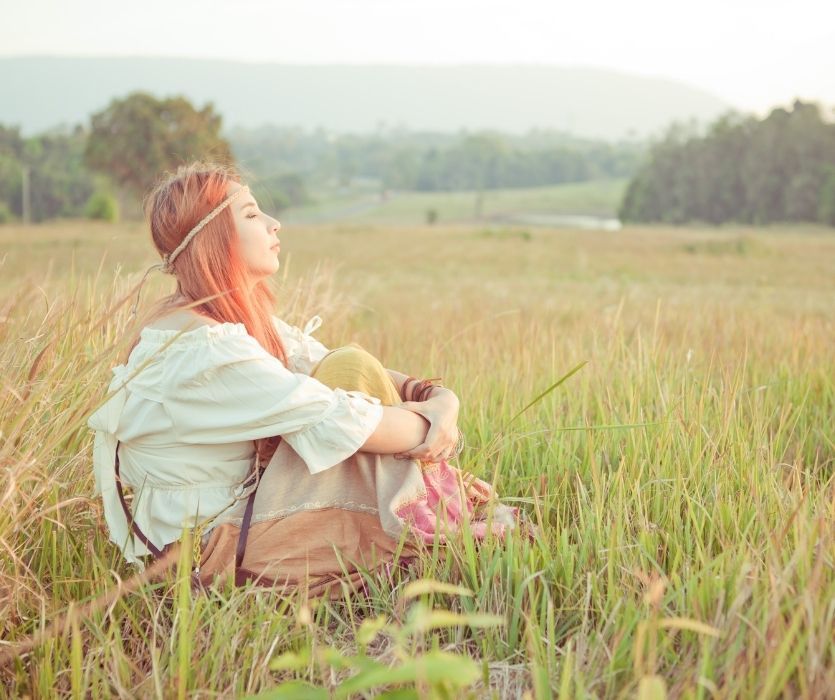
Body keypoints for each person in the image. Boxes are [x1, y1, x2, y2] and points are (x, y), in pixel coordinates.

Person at [87, 161, 520, 598]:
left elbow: (322, 360)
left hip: (230, 520)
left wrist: (440, 399)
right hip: (211, 550)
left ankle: (426, 505)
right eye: (253, 214)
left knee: (348, 367)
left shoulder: (206, 321)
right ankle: (429, 509)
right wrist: (431, 427)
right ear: (215, 238)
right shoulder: (204, 351)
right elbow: (341, 421)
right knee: (361, 420)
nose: (275, 225)